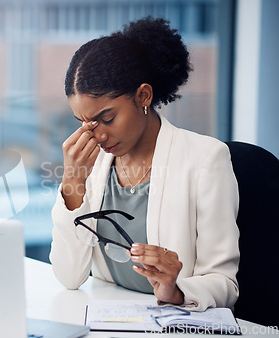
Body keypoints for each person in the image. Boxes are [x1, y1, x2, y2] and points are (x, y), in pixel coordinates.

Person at [49, 16, 239, 311]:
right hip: (106, 321)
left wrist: (176, 290)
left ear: (143, 96)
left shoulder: (205, 159)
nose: (97, 135)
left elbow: (225, 284)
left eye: (107, 118)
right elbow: (69, 276)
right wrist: (73, 183)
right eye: (85, 123)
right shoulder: (92, 164)